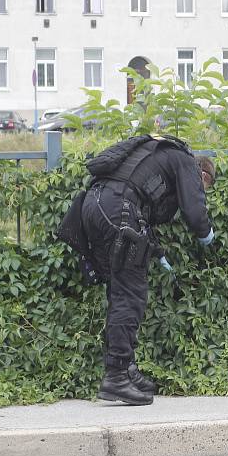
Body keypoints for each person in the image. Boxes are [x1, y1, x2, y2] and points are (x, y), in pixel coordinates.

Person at [59, 134, 216, 406]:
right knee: (130, 296)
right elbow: (194, 210)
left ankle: (127, 368)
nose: (201, 188)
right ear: (203, 173)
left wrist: (156, 251)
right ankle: (116, 376)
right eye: (204, 185)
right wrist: (206, 233)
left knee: (119, 292)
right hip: (117, 211)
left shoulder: (153, 155)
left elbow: (138, 210)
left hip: (93, 206)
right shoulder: (186, 161)